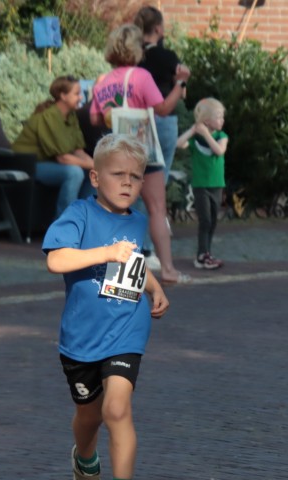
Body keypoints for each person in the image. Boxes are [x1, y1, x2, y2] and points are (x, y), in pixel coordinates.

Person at [44, 133, 170, 480]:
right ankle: (85, 461)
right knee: (89, 417)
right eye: (119, 175)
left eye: (136, 176)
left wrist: (154, 287)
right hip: (81, 338)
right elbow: (56, 260)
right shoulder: (79, 214)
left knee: (117, 409)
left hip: (126, 329)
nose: (128, 183)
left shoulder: (137, 220)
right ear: (96, 178)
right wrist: (105, 253)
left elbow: (132, 264)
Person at [90, 23, 189, 285]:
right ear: (137, 50)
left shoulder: (104, 81)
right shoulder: (142, 77)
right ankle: (168, 270)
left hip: (114, 153)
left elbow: (95, 119)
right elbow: (163, 108)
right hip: (143, 152)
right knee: (156, 208)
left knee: (118, 210)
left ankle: (118, 275)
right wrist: (180, 84)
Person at [11, 75, 95, 217]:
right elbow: (63, 158)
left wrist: (97, 166)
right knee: (74, 173)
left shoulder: (71, 115)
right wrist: (93, 165)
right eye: (76, 93)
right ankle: (65, 224)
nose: (81, 97)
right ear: (63, 96)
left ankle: (84, 219)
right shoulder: (49, 117)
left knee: (94, 174)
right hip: (27, 164)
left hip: (49, 163)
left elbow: (78, 151)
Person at [134, 6, 190, 186]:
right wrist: (182, 82)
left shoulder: (132, 56)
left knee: (135, 176)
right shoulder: (168, 57)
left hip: (135, 119)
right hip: (163, 118)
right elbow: (182, 93)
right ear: (158, 29)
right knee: (158, 180)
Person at [176, 97, 227, 270]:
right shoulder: (195, 140)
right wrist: (193, 130)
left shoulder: (222, 136)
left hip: (217, 185)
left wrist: (206, 134)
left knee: (212, 221)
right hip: (200, 186)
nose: (222, 120)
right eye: (218, 117)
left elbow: (219, 150)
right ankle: (201, 255)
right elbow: (179, 143)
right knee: (205, 220)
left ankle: (207, 252)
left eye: (222, 117)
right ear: (207, 120)